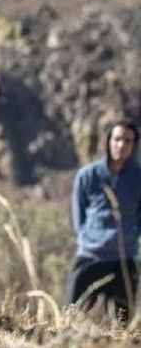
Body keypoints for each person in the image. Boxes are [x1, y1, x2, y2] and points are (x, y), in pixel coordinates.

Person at [66, 119, 141, 320]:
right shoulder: (88, 175)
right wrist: (90, 238)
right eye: (117, 139)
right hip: (90, 257)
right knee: (72, 318)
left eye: (127, 141)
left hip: (123, 261)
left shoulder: (138, 178)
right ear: (109, 141)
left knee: (123, 325)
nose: (121, 145)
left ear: (134, 145)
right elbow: (78, 215)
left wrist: (130, 238)